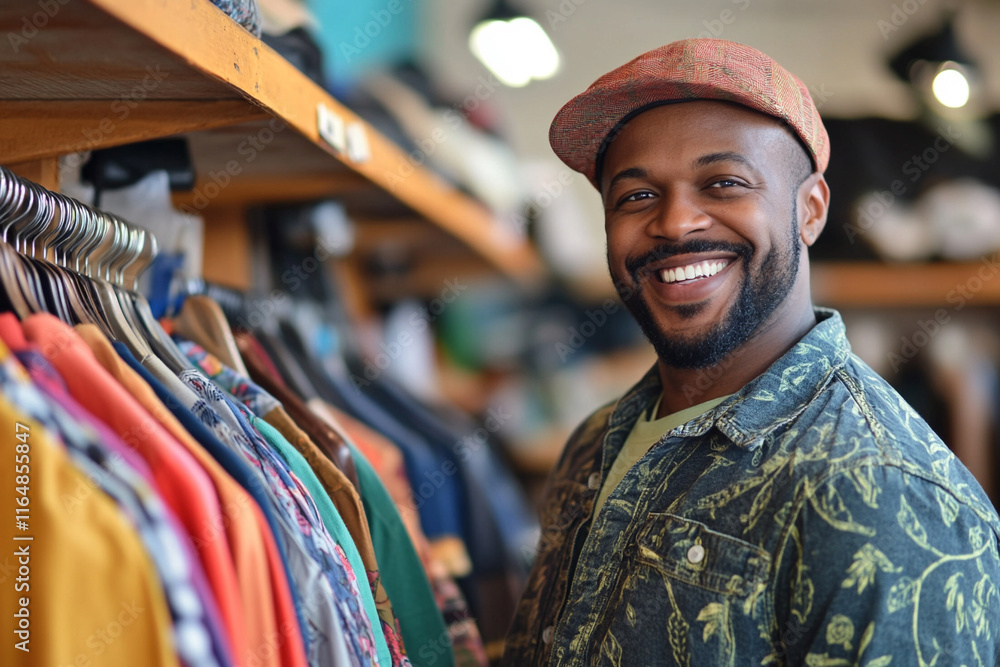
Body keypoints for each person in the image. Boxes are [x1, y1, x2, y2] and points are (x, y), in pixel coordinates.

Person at [503, 38, 1000, 666]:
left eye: (724, 183)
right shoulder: (595, 442)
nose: (677, 222)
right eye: (636, 196)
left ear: (811, 211)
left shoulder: (882, 492)